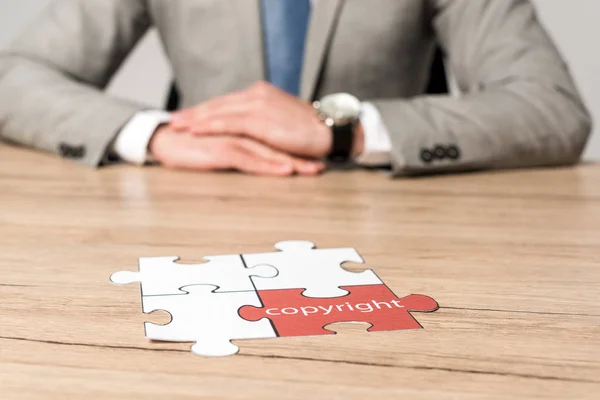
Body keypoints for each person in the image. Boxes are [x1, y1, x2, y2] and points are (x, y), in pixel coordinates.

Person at [0, 0, 592, 177]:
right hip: (194, 212)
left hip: (394, 224)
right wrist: (154, 133)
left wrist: (346, 130)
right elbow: (12, 76)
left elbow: (552, 108)